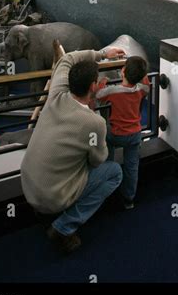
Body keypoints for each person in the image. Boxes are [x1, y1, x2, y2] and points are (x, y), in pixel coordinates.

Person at [20, 46, 125, 254]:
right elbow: (98, 161)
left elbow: (67, 57)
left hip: (28, 186)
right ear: (94, 86)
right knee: (114, 173)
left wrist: (102, 54)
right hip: (51, 198)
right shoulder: (94, 123)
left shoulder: (56, 92)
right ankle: (63, 227)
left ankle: (47, 212)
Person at [96, 56, 150, 210]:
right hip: (134, 135)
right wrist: (141, 73)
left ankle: (106, 189)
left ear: (123, 70)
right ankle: (129, 199)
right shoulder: (141, 89)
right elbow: (146, 84)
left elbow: (98, 96)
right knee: (132, 167)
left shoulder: (113, 91)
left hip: (115, 135)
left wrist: (102, 83)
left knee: (107, 153)